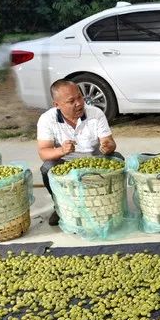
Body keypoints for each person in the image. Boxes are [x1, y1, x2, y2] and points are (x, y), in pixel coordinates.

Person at [37, 79, 119, 226]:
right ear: (57, 105)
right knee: (47, 168)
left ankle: (108, 201)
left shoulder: (95, 113)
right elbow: (44, 152)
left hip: (95, 159)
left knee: (118, 158)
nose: (79, 103)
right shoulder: (47, 119)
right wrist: (61, 150)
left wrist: (108, 146)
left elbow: (110, 142)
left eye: (80, 97)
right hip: (66, 162)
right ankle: (59, 206)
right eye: (71, 101)